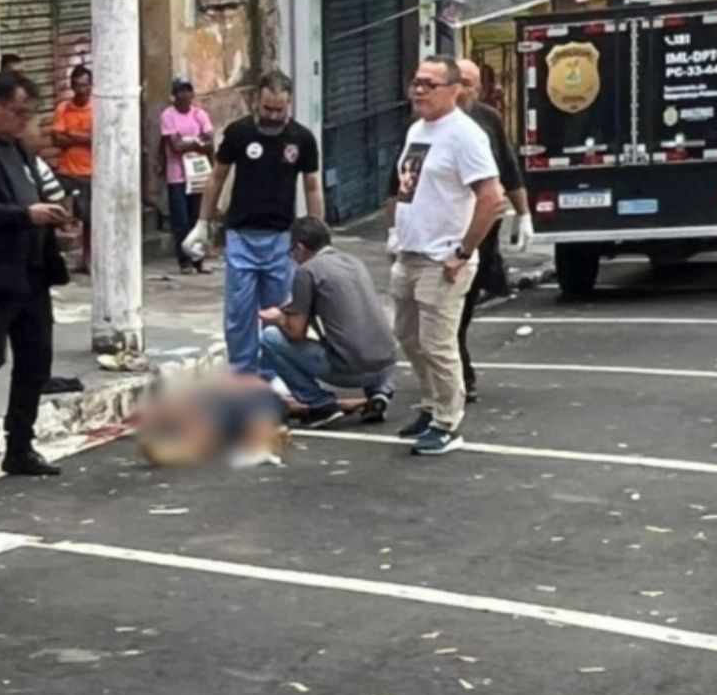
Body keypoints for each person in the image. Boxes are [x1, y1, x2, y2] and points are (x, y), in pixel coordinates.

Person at [387, 55, 505, 456]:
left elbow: (491, 197)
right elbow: (407, 187)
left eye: (430, 84)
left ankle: (447, 422)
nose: (419, 90)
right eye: (416, 82)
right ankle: (431, 403)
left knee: (438, 343)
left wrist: (463, 251)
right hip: (410, 252)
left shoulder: (465, 135)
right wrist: (396, 234)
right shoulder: (418, 130)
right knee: (408, 336)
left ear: (454, 91)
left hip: (442, 258)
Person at [0, 71, 72, 477]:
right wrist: (24, 215)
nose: (25, 121)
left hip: (33, 272)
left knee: (35, 362)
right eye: (18, 112)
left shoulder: (20, 149)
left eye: (29, 114)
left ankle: (20, 445)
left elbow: (36, 194)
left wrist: (51, 218)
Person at [183, 70, 324, 375]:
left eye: (279, 110)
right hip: (241, 236)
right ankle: (242, 374)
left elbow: (312, 187)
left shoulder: (301, 139)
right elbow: (217, 177)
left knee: (280, 312)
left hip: (282, 239)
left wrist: (317, 238)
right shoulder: (239, 133)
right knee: (239, 313)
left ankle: (276, 373)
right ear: (256, 101)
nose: (273, 116)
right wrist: (203, 223)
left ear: (289, 104)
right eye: (267, 108)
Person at [259, 217, 396, 428]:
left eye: (291, 252)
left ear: (300, 248)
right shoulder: (354, 262)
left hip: (351, 370)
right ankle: (380, 392)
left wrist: (278, 318)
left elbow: (296, 332)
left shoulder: (307, 271)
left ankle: (320, 404)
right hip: (386, 364)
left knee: (270, 337)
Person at [456, 58, 534, 402]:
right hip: (445, 228)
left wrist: (523, 214)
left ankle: (456, 372)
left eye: (469, 84)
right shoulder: (424, 123)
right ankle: (459, 374)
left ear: (479, 89)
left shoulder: (488, 120)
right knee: (449, 307)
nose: (462, 90)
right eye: (457, 82)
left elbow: (508, 168)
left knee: (466, 300)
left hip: (483, 226)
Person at [137, 374, 289, 470]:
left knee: (253, 424)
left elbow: (202, 439)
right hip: (257, 401)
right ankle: (266, 437)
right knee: (236, 437)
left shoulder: (202, 403)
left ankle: (263, 441)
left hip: (252, 402)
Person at [161, 76, 215, 274]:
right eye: (180, 91)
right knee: (181, 220)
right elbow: (174, 146)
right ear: (174, 95)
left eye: (187, 91)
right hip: (177, 174)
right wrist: (196, 142)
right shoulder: (168, 115)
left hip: (198, 173)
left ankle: (198, 259)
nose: (184, 95)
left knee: (197, 218)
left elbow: (210, 143)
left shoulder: (199, 114)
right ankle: (184, 261)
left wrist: (188, 142)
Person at [53, 64, 94, 271]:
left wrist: (71, 136)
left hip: (90, 172)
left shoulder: (97, 109)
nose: (81, 90)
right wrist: (84, 138)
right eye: (77, 85)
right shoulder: (63, 108)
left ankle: (88, 259)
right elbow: (57, 138)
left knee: (89, 220)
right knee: (61, 217)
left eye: (85, 85)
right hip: (67, 171)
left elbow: (98, 139)